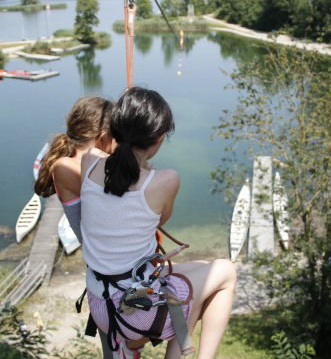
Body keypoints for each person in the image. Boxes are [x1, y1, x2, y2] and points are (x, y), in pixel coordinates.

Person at [80, 87, 237, 359]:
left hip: (101, 306)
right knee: (225, 271)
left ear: (115, 128)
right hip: (133, 310)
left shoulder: (89, 162)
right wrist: (146, 169)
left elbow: (116, 169)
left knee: (202, 272)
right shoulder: (166, 180)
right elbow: (159, 220)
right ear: (159, 139)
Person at [34, 96, 114, 242]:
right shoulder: (66, 167)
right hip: (106, 259)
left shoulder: (96, 163)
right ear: (102, 138)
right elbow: (115, 201)